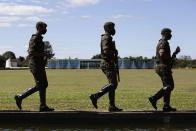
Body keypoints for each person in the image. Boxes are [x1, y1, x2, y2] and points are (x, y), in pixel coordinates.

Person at [15, 21, 54, 112]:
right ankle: (20, 97)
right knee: (40, 85)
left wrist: (45, 55)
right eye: (44, 28)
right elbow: (31, 52)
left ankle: (43, 106)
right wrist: (44, 54)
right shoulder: (35, 38)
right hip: (35, 65)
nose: (46, 30)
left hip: (40, 65)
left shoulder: (39, 38)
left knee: (44, 84)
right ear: (39, 27)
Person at [90, 22, 123, 112]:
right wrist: (114, 52)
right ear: (108, 28)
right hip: (107, 63)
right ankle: (95, 96)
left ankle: (111, 106)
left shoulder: (108, 37)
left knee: (112, 85)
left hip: (110, 63)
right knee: (113, 84)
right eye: (112, 27)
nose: (114, 29)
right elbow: (105, 51)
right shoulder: (106, 37)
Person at [149, 28, 180, 112]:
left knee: (166, 86)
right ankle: (154, 98)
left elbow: (167, 57)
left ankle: (166, 106)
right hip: (162, 67)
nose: (171, 35)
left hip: (163, 66)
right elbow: (162, 55)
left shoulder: (165, 42)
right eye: (170, 33)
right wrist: (171, 57)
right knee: (170, 86)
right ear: (165, 33)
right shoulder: (163, 43)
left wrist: (175, 53)